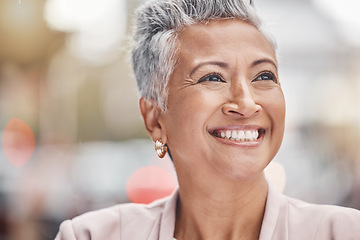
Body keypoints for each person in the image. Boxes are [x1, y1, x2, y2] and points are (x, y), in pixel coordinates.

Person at [55, 0, 360, 239]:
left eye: (264, 76)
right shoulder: (92, 236)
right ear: (155, 119)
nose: (247, 103)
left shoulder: (344, 233)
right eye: (213, 77)